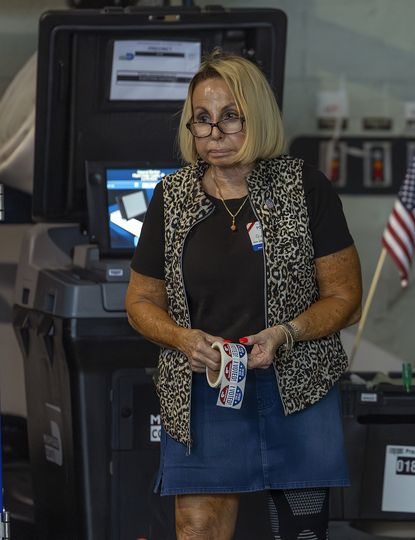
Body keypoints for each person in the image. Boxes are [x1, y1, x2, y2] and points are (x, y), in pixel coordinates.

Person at [125, 49, 362, 540]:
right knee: (198, 531)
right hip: (203, 393)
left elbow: (344, 296)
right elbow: (140, 302)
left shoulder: (304, 188)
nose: (215, 133)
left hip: (298, 389)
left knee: (301, 533)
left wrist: (286, 333)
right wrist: (181, 339)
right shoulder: (172, 197)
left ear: (256, 116)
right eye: (202, 121)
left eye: (230, 117)